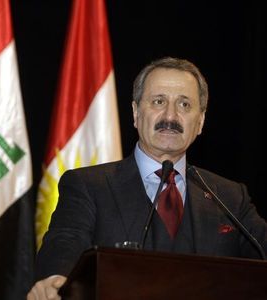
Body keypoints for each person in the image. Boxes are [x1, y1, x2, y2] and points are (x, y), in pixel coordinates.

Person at [26, 57, 267, 300]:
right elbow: (65, 241)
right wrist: (55, 279)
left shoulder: (230, 197)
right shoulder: (89, 185)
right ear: (135, 112)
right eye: (158, 101)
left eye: (184, 105)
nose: (170, 116)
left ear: (201, 121)